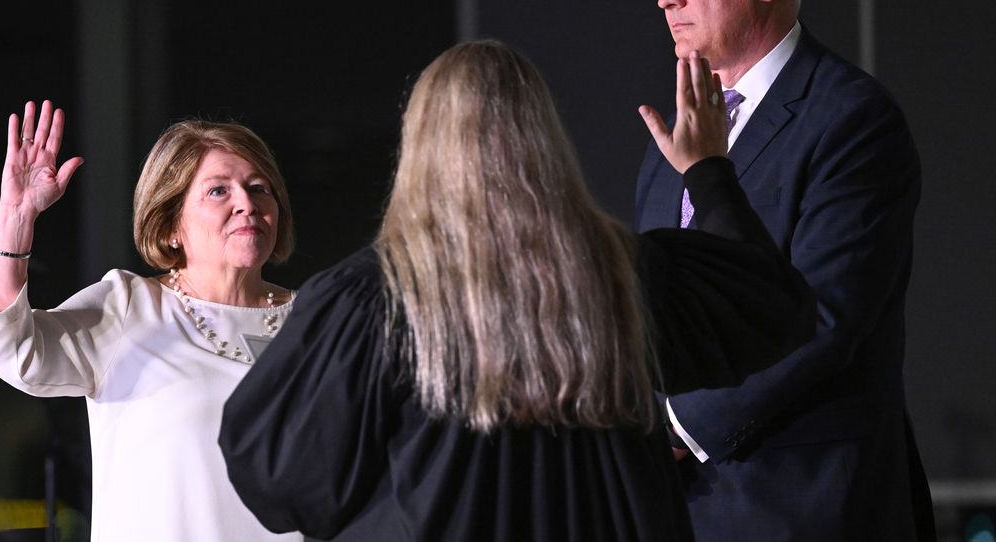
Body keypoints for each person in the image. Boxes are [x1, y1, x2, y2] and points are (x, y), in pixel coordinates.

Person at [219, 41, 814, 541]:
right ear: (544, 138)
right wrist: (707, 169)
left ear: (420, 143)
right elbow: (772, 308)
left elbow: (279, 478)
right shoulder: (621, 273)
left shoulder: (373, 298)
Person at [637, 0, 932, 539]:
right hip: (683, 513)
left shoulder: (851, 120)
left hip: (806, 509)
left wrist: (679, 428)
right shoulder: (675, 135)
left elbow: (823, 314)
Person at [0, 101, 303, 542]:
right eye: (219, 191)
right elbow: (10, 351)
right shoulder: (130, 305)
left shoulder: (316, 322)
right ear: (170, 224)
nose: (246, 203)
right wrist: (15, 220)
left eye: (259, 188)